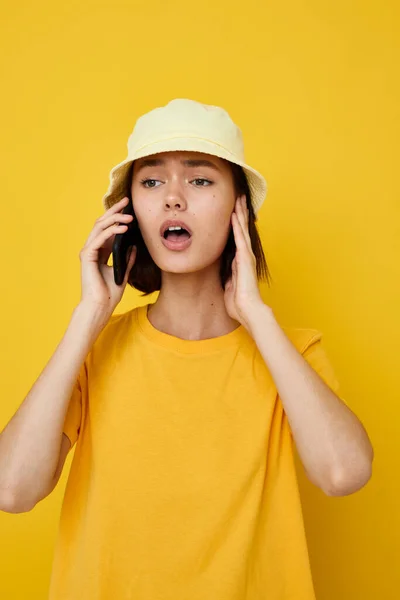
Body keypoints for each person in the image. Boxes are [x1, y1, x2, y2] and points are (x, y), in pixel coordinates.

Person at [0, 99, 374, 599]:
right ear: (129, 211)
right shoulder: (93, 352)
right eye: (151, 182)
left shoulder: (291, 354)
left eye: (200, 180)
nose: (173, 198)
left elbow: (343, 473)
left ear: (240, 207)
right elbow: (12, 490)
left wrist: (256, 315)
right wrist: (88, 318)